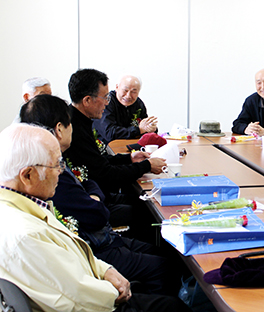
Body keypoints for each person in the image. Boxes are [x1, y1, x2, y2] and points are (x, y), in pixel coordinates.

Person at [0, 123, 188, 312]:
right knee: (172, 306)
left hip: (92, 282)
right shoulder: (26, 235)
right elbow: (78, 298)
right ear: (28, 175)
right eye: (56, 164)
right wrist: (115, 290)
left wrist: (105, 270)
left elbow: (72, 254)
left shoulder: (24, 206)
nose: (61, 171)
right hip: (96, 304)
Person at [63, 69, 166, 240]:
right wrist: (146, 166)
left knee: (146, 202)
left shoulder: (79, 119)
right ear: (87, 100)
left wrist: (129, 158)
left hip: (99, 191)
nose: (106, 102)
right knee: (149, 210)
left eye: (134, 91)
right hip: (94, 201)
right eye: (105, 97)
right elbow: (105, 174)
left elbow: (98, 161)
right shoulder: (73, 129)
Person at [93, 75, 158, 143]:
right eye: (125, 90)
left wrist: (151, 128)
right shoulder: (105, 102)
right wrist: (139, 130)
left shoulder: (138, 103)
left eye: (133, 92)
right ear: (117, 87)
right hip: (105, 149)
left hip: (129, 147)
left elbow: (144, 126)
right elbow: (109, 133)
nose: (128, 96)